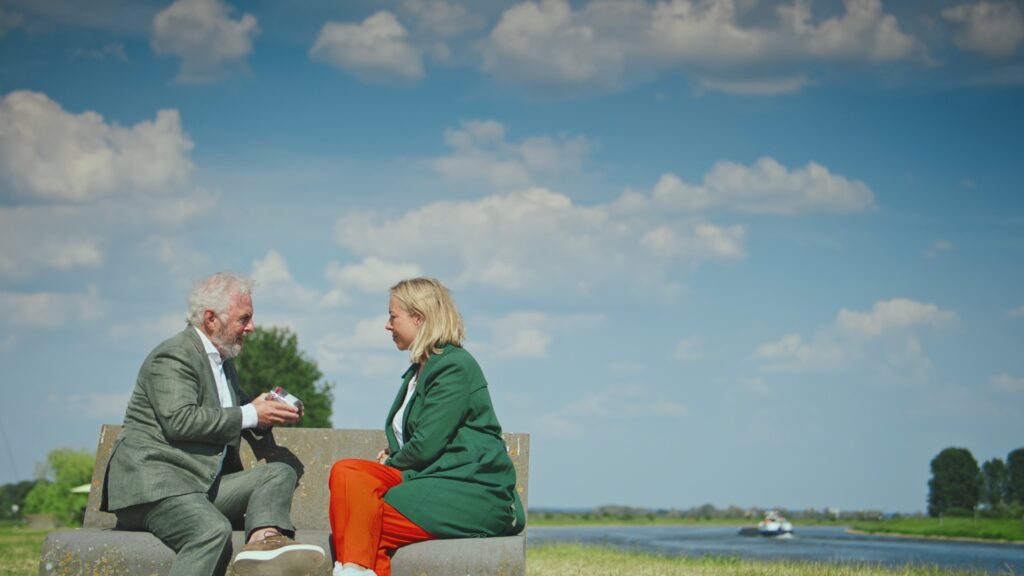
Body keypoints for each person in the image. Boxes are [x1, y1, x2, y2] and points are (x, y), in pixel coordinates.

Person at [100, 272, 325, 576]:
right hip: (155, 488)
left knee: (278, 472)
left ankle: (264, 543)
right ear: (211, 319)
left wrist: (270, 413)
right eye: (244, 319)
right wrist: (251, 413)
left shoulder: (223, 363)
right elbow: (180, 420)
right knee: (211, 531)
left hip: (198, 486)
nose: (251, 327)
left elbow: (243, 417)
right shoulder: (173, 355)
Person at [327, 277, 525, 576]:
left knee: (366, 517)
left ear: (418, 318)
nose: (387, 325)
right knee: (347, 472)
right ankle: (357, 569)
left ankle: (354, 569)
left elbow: (427, 444)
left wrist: (392, 460)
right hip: (429, 478)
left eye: (393, 316)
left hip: (469, 487)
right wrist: (393, 455)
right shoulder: (419, 370)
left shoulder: (453, 365)